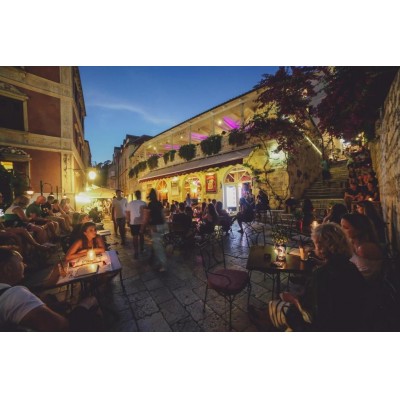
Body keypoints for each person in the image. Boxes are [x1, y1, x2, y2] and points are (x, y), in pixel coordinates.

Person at [248, 223, 367, 331]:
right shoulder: (351, 267)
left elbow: (313, 314)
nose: (314, 248)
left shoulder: (322, 275)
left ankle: (266, 321)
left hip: (324, 326)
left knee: (276, 305)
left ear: (322, 247)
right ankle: (265, 317)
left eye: (315, 244)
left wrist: (293, 299)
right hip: (350, 320)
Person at [340, 213, 383, 281]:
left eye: (346, 228)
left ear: (359, 229)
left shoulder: (364, 248)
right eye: (341, 226)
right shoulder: (354, 244)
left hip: (367, 285)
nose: (341, 230)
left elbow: (362, 276)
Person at [141, 188, 167, 272]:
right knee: (158, 245)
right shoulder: (159, 203)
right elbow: (163, 214)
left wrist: (143, 228)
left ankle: (163, 265)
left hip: (155, 227)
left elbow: (146, 217)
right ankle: (155, 261)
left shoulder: (150, 205)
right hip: (162, 225)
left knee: (159, 247)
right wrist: (165, 224)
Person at [126, 190, 147, 259]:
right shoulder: (144, 203)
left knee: (135, 237)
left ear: (135, 195)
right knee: (141, 236)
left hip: (133, 222)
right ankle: (142, 248)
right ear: (140, 195)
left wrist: (128, 221)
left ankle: (136, 252)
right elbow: (145, 214)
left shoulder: (130, 203)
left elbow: (127, 213)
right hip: (142, 222)